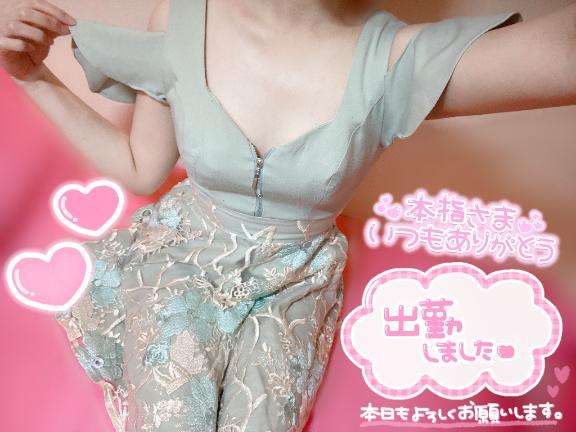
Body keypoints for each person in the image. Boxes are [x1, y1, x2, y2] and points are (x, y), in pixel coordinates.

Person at [2, 0, 574, 431]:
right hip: (180, 258)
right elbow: (140, 169)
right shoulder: (181, 17)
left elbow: (562, 52)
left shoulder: (396, 57)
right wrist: (33, 76)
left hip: (294, 283)